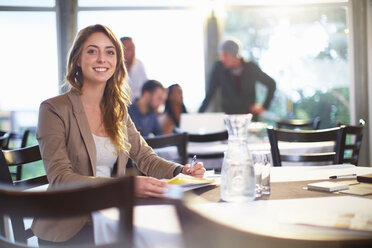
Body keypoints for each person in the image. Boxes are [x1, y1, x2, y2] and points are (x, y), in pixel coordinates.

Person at [32, 24, 205, 246]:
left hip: (111, 216)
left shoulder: (118, 110)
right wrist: (123, 187)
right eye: (92, 51)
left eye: (110, 52)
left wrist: (180, 171)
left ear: (117, 61)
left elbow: (145, 157)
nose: (102, 58)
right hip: (69, 226)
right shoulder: (53, 109)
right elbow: (60, 178)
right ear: (77, 59)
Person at [199, 39, 276, 120]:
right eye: (221, 55)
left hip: (248, 118)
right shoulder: (218, 68)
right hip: (228, 119)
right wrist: (198, 116)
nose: (222, 59)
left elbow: (271, 83)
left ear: (235, 55)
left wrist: (264, 107)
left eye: (225, 55)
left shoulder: (251, 68)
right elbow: (210, 94)